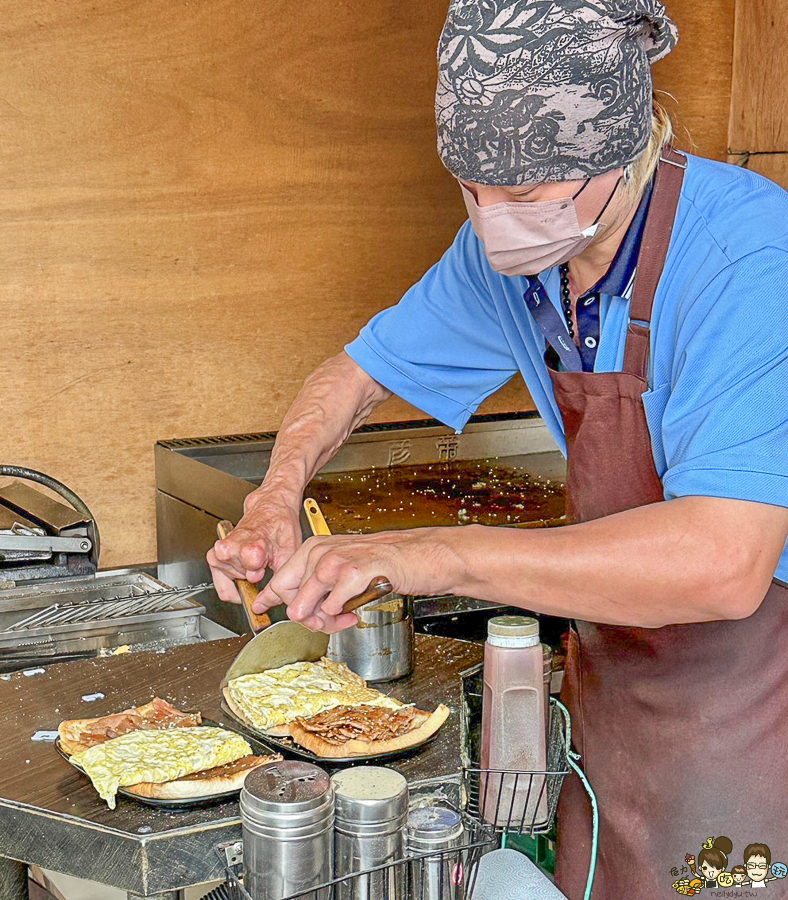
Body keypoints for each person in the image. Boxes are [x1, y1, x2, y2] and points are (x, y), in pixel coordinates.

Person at [208, 1, 788, 896]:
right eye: (473, 191)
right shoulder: (512, 257)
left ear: (619, 151)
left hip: (759, 692)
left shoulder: (748, 255)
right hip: (619, 680)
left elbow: (723, 563)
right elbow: (360, 374)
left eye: (524, 196)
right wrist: (277, 494)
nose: (492, 221)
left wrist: (422, 554)